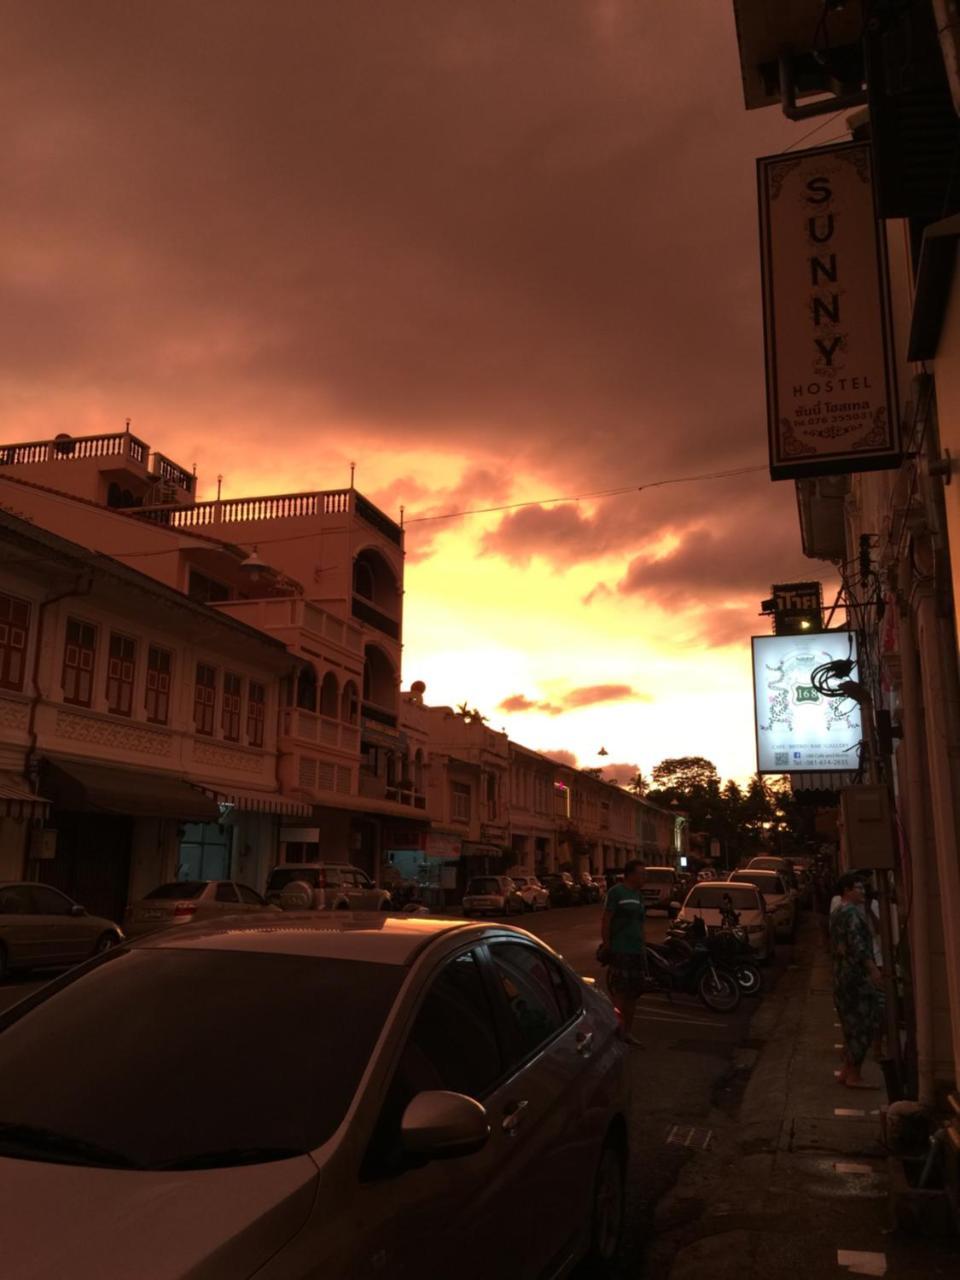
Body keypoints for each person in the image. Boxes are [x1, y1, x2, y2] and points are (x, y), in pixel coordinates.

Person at [829, 872, 883, 1088]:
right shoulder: (851, 913)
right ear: (846, 890)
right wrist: (873, 970)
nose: (862, 892)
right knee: (863, 1024)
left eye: (863, 888)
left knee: (850, 1026)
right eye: (857, 888)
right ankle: (854, 1075)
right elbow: (858, 945)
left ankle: (846, 1071)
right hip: (856, 977)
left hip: (841, 976)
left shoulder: (838, 911)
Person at [601, 859, 648, 1047]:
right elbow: (606, 920)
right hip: (620, 950)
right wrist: (607, 944)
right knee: (620, 994)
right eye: (641, 874)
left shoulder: (638, 895)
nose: (644, 878)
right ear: (630, 875)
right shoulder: (616, 893)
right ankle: (616, 1033)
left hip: (636, 950)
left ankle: (628, 1032)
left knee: (633, 994)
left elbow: (641, 922)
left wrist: (643, 945)